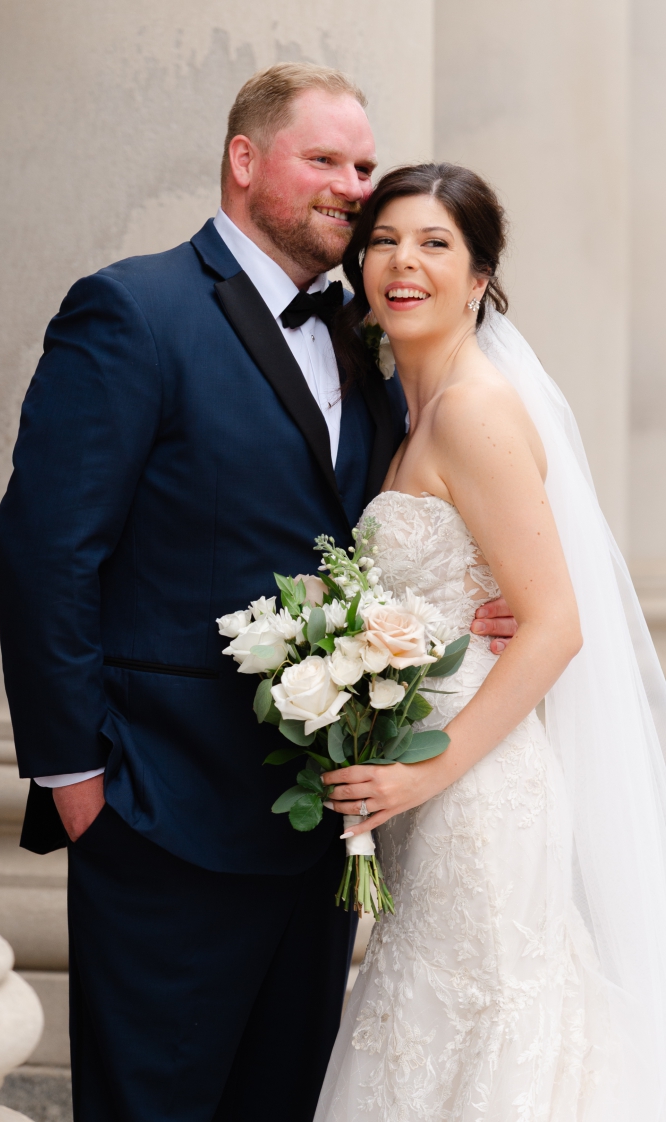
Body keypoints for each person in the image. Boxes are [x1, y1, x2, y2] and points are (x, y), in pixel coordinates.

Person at [0, 64, 521, 1119]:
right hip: (159, 815)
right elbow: (47, 553)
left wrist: (468, 617)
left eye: (363, 165)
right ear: (245, 162)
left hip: (317, 829)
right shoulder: (132, 312)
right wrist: (78, 784)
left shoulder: (369, 341)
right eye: (323, 159)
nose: (352, 185)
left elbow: (375, 536)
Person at [314, 164, 666, 1118]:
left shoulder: (473, 409)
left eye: (435, 244)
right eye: (384, 239)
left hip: (477, 792)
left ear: (479, 280)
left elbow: (555, 626)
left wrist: (425, 773)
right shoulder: (403, 408)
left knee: (492, 1026)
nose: (403, 262)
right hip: (424, 786)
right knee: (424, 1028)